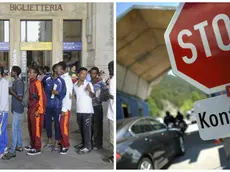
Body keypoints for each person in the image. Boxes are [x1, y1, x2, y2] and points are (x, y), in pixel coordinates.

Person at [42, 64, 66, 151]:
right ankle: (49, 141)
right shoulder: (46, 78)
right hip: (47, 106)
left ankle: (56, 143)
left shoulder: (61, 81)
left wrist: (58, 93)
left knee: (57, 124)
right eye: (60, 69)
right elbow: (41, 89)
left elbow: (64, 93)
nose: (62, 71)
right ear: (55, 69)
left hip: (57, 106)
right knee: (48, 124)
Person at [3, 66, 24, 160]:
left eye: (12, 71)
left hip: (18, 107)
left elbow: (20, 98)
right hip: (16, 108)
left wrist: (11, 92)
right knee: (18, 127)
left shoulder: (19, 82)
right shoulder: (15, 82)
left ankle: (12, 151)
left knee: (14, 128)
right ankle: (19, 145)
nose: (10, 73)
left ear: (15, 72)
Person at [24, 67, 45, 155]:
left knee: (36, 129)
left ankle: (37, 148)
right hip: (30, 108)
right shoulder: (31, 83)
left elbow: (41, 98)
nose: (29, 74)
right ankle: (32, 145)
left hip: (36, 109)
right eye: (29, 72)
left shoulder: (37, 83)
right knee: (31, 127)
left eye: (32, 73)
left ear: (36, 74)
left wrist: (39, 110)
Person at [74, 67, 95, 154]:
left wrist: (90, 91)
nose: (84, 76)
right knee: (81, 129)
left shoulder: (88, 84)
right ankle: (83, 143)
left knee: (87, 130)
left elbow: (93, 96)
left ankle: (88, 147)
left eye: (86, 74)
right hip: (79, 110)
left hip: (87, 111)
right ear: (78, 74)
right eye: (82, 74)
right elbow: (76, 96)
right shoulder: (75, 85)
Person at [58, 61, 73, 155]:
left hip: (65, 108)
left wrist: (64, 109)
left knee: (64, 127)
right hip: (61, 107)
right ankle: (62, 141)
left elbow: (67, 95)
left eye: (58, 68)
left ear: (63, 70)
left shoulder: (66, 79)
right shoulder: (62, 78)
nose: (56, 70)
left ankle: (66, 145)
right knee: (61, 126)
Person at [90, 67, 106, 150]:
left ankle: (98, 144)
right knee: (90, 125)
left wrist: (98, 98)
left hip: (97, 107)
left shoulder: (101, 83)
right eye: (91, 73)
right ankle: (90, 142)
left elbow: (105, 95)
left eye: (94, 73)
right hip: (89, 107)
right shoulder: (89, 82)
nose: (92, 75)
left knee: (97, 126)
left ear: (97, 74)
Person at [0, 67, 9, 158]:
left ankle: (1, 151)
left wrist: (1, 111)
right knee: (3, 129)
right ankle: (5, 146)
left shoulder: (4, 82)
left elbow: (4, 98)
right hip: (2, 111)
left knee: (1, 131)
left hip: (2, 111)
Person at [107, 61, 114, 163]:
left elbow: (111, 95)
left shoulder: (112, 80)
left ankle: (113, 156)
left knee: (113, 137)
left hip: (112, 114)